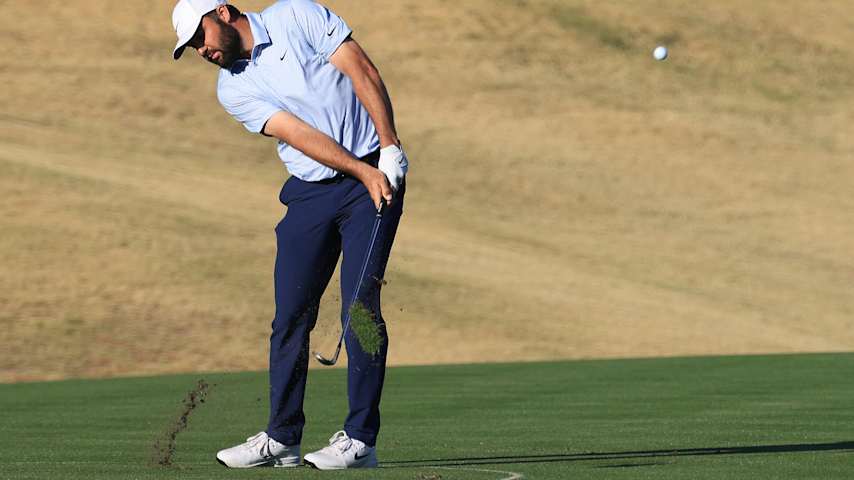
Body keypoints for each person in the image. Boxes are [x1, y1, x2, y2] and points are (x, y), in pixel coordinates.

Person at [170, 0, 408, 470]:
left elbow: (361, 70)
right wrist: (360, 170)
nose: (200, 51)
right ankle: (282, 437)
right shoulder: (232, 89)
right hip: (311, 192)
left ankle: (360, 439)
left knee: (360, 307)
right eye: (191, 47)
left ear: (221, 12)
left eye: (199, 37)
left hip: (374, 175)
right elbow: (297, 134)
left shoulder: (296, 17)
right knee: (290, 317)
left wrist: (388, 148)